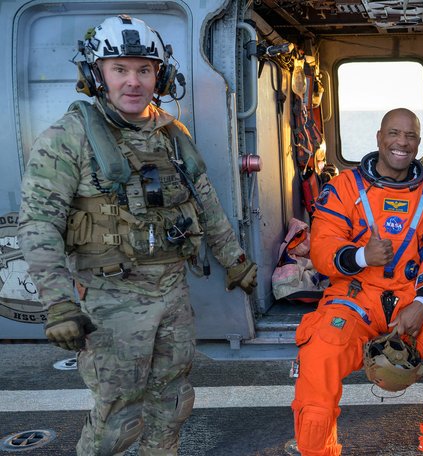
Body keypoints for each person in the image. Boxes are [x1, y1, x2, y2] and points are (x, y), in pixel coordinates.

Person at [18, 15, 257, 455]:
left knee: (173, 403)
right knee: (119, 416)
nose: (134, 81)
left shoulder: (171, 134)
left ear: (159, 75)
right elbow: (38, 223)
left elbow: (206, 203)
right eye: (119, 69)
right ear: (96, 75)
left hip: (171, 293)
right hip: (111, 298)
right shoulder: (67, 138)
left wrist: (236, 261)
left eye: (144, 70)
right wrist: (58, 303)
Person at [291, 108, 423, 456]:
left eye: (411, 136)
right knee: (320, 355)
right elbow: (322, 246)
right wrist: (362, 256)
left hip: (415, 296)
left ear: (418, 143)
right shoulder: (345, 188)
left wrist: (422, 304)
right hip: (356, 296)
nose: (402, 143)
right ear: (379, 138)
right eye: (394, 133)